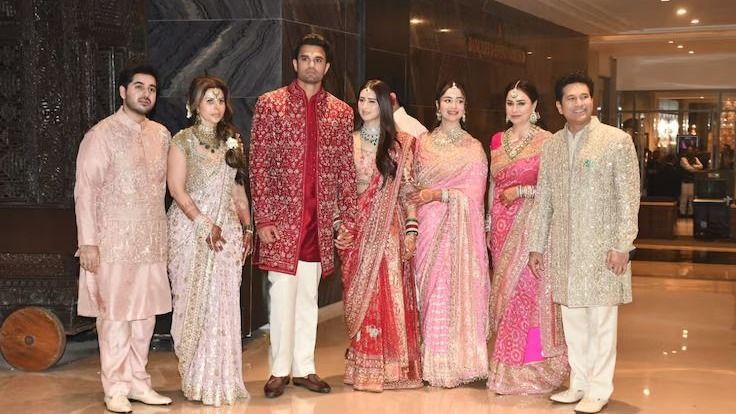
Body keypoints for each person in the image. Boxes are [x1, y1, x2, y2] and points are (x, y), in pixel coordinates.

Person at [249, 33, 358, 399]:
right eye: (306, 58)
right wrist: (264, 218)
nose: (312, 64)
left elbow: (345, 169)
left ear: (327, 68)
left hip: (319, 222)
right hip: (282, 221)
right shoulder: (271, 104)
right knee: (282, 295)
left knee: (309, 296)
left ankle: (304, 368)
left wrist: (348, 219)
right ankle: (279, 370)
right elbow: (258, 163)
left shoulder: (340, 112)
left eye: (318, 60)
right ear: (295, 63)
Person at [528, 72, 640, 414]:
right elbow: (544, 198)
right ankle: (579, 382)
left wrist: (623, 244)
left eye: (585, 97)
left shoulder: (615, 141)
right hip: (565, 248)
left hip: (603, 248)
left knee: (601, 321)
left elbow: (628, 197)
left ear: (593, 100)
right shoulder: (552, 146)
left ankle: (600, 388)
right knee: (573, 319)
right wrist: (536, 244)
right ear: (559, 106)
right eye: (572, 98)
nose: (580, 103)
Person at [75, 64, 173, 413]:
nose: (146, 94)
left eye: (152, 89)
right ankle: (115, 387)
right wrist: (88, 242)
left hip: (151, 241)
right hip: (112, 243)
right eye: (139, 87)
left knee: (145, 318)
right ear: (123, 91)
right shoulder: (101, 135)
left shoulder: (161, 134)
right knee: (115, 316)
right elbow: (85, 190)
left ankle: (138, 383)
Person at [167, 75, 252, 406]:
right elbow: (176, 189)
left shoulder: (232, 140)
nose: (217, 107)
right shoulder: (182, 141)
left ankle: (221, 380)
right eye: (209, 100)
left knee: (223, 304)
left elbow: (238, 191)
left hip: (226, 235)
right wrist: (203, 223)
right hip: (191, 233)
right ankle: (195, 377)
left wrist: (248, 227)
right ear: (194, 105)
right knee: (193, 303)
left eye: (220, 100)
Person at [486, 80, 568, 394]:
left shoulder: (548, 141)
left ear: (534, 106)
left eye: (521, 102)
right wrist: (488, 222)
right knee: (506, 298)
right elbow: (493, 184)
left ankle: (533, 366)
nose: (515, 108)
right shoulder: (497, 140)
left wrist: (521, 190)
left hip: (533, 227)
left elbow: (555, 190)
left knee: (529, 297)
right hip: (501, 228)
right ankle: (505, 367)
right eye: (510, 102)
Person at [341, 79, 423, 392]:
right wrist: (340, 225)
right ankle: (364, 367)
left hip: (390, 232)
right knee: (361, 298)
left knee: (389, 295)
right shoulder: (349, 141)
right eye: (361, 100)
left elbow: (408, 191)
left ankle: (394, 368)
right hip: (357, 232)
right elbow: (340, 191)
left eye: (371, 101)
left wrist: (411, 230)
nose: (364, 106)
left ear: (384, 105)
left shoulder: (401, 144)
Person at [408, 80, 490, 387]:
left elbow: (475, 196)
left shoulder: (474, 148)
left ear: (465, 108)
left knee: (453, 291)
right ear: (437, 106)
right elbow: (411, 186)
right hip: (428, 228)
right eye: (447, 100)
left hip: (461, 234)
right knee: (430, 293)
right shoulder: (422, 144)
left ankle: (458, 362)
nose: (453, 106)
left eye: (459, 100)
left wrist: (438, 194)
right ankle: (430, 361)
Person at [679, 145, 703, 215]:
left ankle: (691, 213)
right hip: (685, 181)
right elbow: (688, 168)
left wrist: (693, 166)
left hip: (692, 181)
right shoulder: (683, 159)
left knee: (691, 198)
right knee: (684, 197)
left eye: (691, 150)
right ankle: (682, 212)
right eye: (689, 150)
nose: (690, 152)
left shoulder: (695, 158)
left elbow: (701, 166)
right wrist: (696, 169)